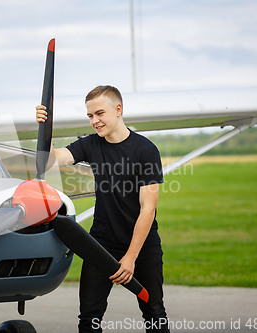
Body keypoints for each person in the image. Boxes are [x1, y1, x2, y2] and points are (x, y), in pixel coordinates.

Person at [36, 85, 170, 332]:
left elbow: (147, 209)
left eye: (100, 113)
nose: (94, 121)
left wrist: (130, 257)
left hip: (142, 245)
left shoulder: (145, 150)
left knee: (154, 312)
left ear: (118, 110)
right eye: (90, 116)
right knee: (89, 318)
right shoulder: (90, 145)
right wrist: (46, 127)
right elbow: (51, 160)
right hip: (101, 244)